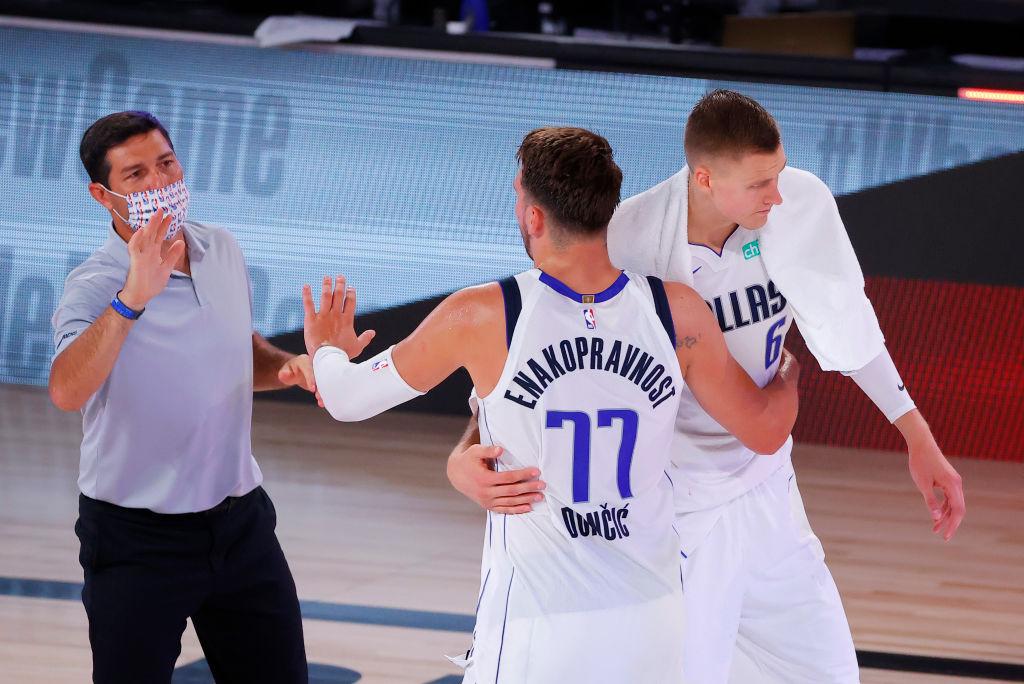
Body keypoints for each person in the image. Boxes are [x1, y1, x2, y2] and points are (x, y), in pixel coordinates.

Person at [447, 90, 966, 684]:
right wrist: (465, 453)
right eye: (758, 184)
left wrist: (916, 436)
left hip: (771, 490)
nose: (777, 194)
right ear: (703, 177)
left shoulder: (798, 203)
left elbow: (849, 324)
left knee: (827, 674)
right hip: (677, 506)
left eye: (778, 175)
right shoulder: (627, 240)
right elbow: (532, 358)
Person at [302, 126, 800, 683]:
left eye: (518, 195)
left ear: (534, 216)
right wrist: (786, 377)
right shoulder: (677, 312)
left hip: (539, 625)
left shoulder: (484, 314)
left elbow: (346, 399)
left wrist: (326, 351)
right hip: (651, 619)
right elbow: (764, 429)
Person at [49, 111, 312, 684]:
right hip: (136, 538)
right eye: (136, 174)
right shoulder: (95, 283)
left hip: (240, 524)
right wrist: (130, 300)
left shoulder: (220, 247)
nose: (159, 183)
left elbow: (236, 348)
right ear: (103, 194)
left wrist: (290, 368)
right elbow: (67, 390)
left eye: (166, 163)